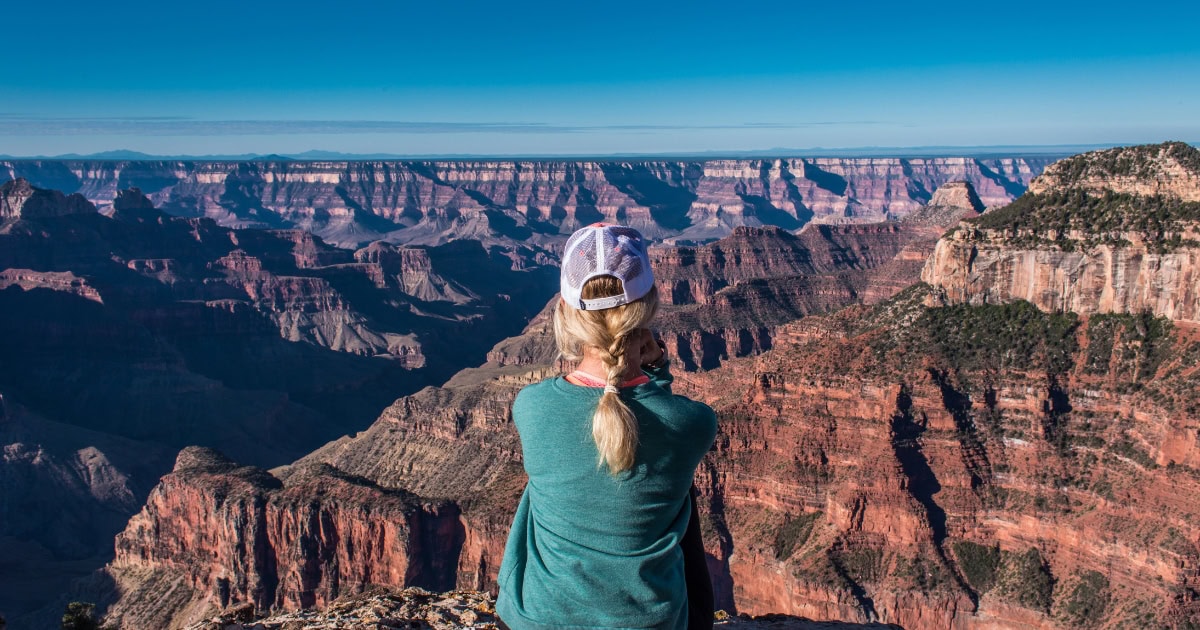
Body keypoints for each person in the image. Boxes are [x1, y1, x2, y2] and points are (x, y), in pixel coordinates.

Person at [496, 223, 719, 629]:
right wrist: (658, 371)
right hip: (650, 624)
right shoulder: (694, 423)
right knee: (678, 497)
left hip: (537, 621)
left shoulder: (531, 406)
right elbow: (651, 412)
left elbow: (605, 419)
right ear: (648, 310)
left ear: (565, 312)